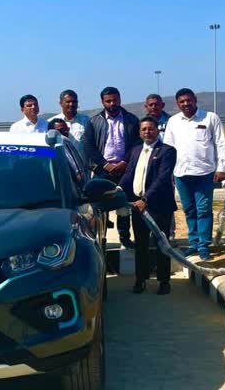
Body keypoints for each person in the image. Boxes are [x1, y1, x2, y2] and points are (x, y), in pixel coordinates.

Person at [164, 88, 225, 261]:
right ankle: (193, 243)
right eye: (182, 101)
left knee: (203, 210)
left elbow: (220, 144)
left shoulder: (210, 118)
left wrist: (221, 168)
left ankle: (204, 245)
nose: (186, 104)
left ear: (195, 100)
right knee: (189, 210)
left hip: (204, 173)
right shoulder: (173, 121)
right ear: (177, 103)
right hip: (181, 173)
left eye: (189, 100)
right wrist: (167, 172)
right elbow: (168, 149)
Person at [119, 117, 177, 295]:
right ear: (139, 132)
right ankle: (140, 279)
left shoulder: (167, 151)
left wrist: (146, 199)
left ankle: (164, 281)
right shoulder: (136, 150)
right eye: (143, 129)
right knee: (141, 245)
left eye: (151, 129)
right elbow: (129, 173)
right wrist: (118, 189)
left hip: (158, 206)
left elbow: (162, 178)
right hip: (137, 206)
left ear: (157, 131)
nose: (147, 132)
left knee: (162, 245)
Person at [83, 86, 141, 248]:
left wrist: (125, 162)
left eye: (115, 100)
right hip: (103, 170)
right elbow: (89, 146)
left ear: (120, 99)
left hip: (125, 169)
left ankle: (125, 238)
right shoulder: (94, 121)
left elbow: (137, 143)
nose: (112, 103)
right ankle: (101, 239)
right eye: (108, 101)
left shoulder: (131, 120)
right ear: (102, 102)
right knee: (101, 207)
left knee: (124, 206)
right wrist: (104, 165)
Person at [144, 93, 176, 244]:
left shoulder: (172, 121)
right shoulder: (143, 124)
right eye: (150, 105)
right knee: (149, 197)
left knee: (166, 199)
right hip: (149, 167)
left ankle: (169, 233)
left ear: (162, 105)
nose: (154, 107)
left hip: (167, 164)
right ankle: (150, 234)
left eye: (157, 104)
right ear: (146, 106)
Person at [50, 89, 90, 161]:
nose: (71, 104)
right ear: (61, 103)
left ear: (77, 103)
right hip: (60, 166)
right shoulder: (51, 122)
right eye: (68, 102)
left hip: (81, 167)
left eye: (74, 102)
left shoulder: (86, 121)